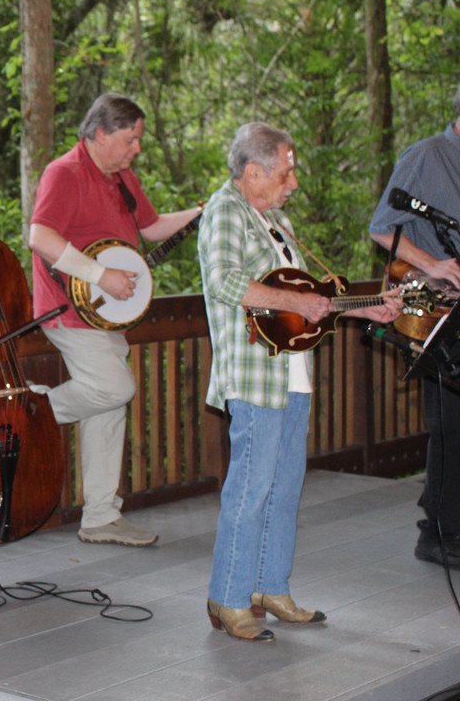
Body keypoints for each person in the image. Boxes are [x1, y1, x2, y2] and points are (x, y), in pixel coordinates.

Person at [199, 122, 400, 642]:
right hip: (253, 376)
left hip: (292, 375)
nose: (293, 183)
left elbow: (312, 306)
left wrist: (368, 309)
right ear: (253, 172)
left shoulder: (278, 222)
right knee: (250, 487)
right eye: (286, 172)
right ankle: (229, 597)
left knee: (284, 488)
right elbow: (223, 280)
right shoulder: (226, 209)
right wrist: (294, 302)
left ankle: (270, 586)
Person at [28, 93, 201, 547]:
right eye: (130, 140)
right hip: (67, 311)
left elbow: (152, 227)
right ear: (101, 134)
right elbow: (39, 236)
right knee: (116, 388)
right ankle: (30, 410)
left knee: (107, 408)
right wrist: (100, 275)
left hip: (107, 318)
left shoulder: (121, 177)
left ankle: (101, 517)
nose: (136, 149)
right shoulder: (63, 173)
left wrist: (204, 212)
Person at [369, 85, 460, 568]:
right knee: (448, 420)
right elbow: (382, 227)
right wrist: (436, 264)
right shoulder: (428, 157)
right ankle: (438, 533)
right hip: (428, 304)